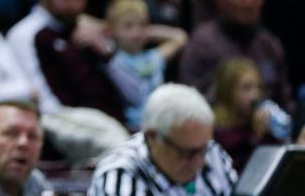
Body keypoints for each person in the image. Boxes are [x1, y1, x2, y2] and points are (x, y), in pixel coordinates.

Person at [88, 83, 237, 196]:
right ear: (152, 137)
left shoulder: (211, 152)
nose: (198, 163)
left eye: (202, 150)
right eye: (187, 153)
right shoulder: (119, 176)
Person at [178, 0, 291, 108]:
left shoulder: (269, 45)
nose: (249, 2)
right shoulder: (201, 45)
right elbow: (191, 106)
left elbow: (285, 101)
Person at [31, 0, 127, 123]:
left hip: (118, 118)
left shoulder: (89, 26)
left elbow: (132, 92)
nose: (74, 4)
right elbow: (40, 98)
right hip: (73, 126)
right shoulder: (26, 33)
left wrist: (106, 54)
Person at [104, 0, 188, 130]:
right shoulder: (111, 59)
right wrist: (107, 30)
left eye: (142, 25)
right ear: (110, 30)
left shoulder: (153, 57)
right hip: (133, 127)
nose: (136, 33)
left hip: (162, 122)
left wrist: (146, 31)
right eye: (128, 26)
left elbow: (180, 37)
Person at [210, 58, 283, 172]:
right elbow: (238, 172)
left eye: (258, 87)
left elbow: (277, 164)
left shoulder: (258, 124)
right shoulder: (218, 132)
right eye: (246, 88)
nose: (255, 95)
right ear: (228, 91)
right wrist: (257, 137)